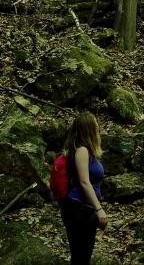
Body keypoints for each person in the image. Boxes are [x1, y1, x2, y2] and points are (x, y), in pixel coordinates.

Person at [59, 113, 107, 265]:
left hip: (82, 208)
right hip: (79, 208)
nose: (98, 127)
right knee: (81, 256)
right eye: (96, 124)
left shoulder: (84, 151)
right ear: (89, 129)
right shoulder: (82, 151)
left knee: (81, 256)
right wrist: (99, 209)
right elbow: (84, 182)